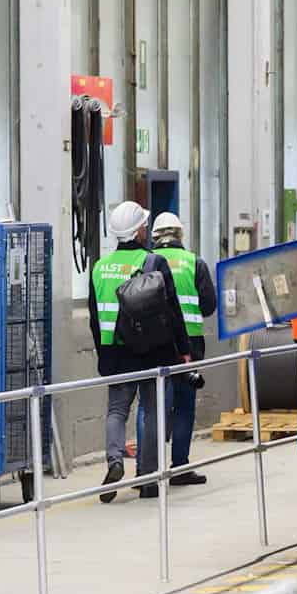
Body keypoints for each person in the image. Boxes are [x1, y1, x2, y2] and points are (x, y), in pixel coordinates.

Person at [89, 202, 190, 502]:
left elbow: (95, 317)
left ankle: (115, 461)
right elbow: (173, 311)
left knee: (117, 411)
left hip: (113, 352)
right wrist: (183, 349)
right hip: (151, 350)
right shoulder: (153, 263)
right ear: (139, 230)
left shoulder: (98, 267)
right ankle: (147, 478)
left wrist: (102, 352)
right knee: (150, 410)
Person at [140, 212, 217, 485]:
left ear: (155, 237)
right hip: (191, 343)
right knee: (185, 406)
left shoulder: (147, 262)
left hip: (157, 342)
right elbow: (209, 306)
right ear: (180, 235)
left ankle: (146, 470)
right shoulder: (195, 263)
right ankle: (180, 467)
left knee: (151, 406)